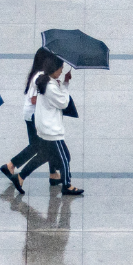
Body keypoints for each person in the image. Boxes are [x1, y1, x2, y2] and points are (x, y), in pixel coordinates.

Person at [0, 47, 58, 193]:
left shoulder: (41, 74)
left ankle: (53, 174)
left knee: (40, 145)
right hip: (34, 116)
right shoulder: (39, 75)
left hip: (33, 115)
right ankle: (13, 168)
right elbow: (34, 99)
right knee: (43, 146)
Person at [33, 55, 84, 195]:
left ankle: (21, 176)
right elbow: (63, 102)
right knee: (64, 158)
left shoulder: (48, 82)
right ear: (54, 69)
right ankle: (67, 185)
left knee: (50, 156)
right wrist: (66, 86)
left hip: (47, 127)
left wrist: (65, 82)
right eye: (61, 68)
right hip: (52, 130)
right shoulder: (50, 87)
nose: (62, 70)